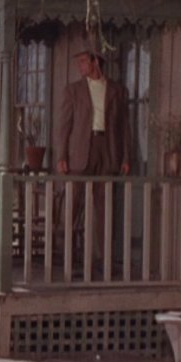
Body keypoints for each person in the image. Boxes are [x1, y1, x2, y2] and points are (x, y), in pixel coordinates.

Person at [54, 47, 132, 263]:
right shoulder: (73, 90)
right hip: (80, 150)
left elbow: (125, 127)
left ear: (95, 62)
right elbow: (64, 126)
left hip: (107, 149)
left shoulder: (117, 90)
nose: (80, 66)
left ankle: (104, 259)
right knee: (72, 205)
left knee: (105, 207)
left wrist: (125, 157)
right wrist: (62, 155)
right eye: (78, 62)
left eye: (83, 61)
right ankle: (65, 257)